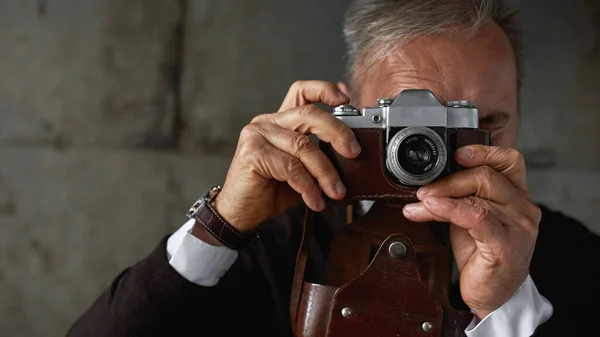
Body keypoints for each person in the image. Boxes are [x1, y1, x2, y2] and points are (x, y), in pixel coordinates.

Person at [66, 0, 600, 336]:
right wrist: (220, 227)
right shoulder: (273, 248)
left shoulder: (575, 258)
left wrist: (509, 307)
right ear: (348, 111)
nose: (435, 154)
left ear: (522, 106)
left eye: (481, 125)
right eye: (406, 127)